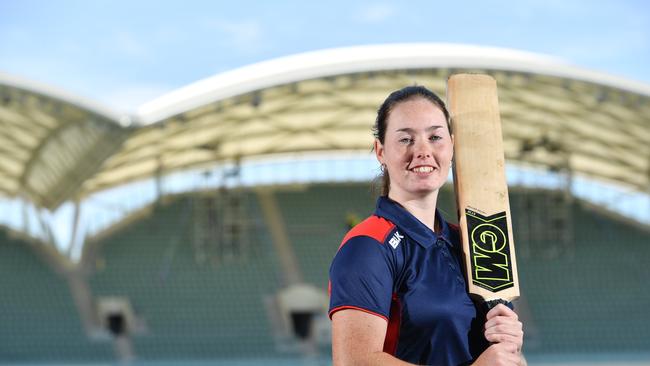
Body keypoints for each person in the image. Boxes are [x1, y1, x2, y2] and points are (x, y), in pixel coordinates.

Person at [328, 85, 524, 366]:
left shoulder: (472, 241)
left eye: (435, 137)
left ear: (452, 146)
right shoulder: (367, 246)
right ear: (380, 151)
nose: (422, 151)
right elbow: (355, 362)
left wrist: (512, 346)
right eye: (406, 139)